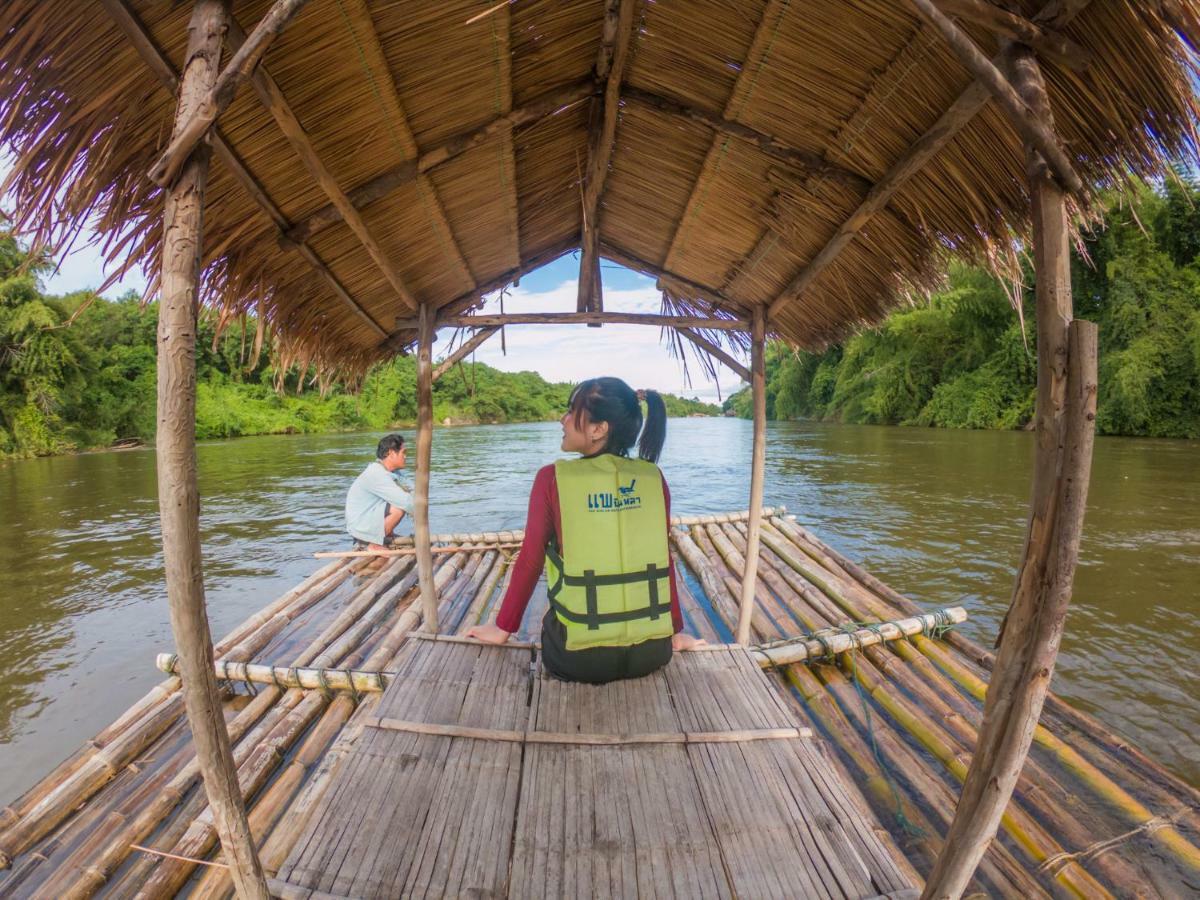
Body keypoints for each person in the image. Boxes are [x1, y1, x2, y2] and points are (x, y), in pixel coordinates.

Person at [467, 377, 704, 683]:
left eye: (570, 411)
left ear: (598, 429)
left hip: (576, 659)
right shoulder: (653, 478)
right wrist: (675, 632)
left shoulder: (551, 479)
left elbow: (530, 559)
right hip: (652, 653)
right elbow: (663, 560)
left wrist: (502, 628)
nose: (562, 420)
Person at [344, 434, 412, 551]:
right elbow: (406, 502)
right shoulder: (376, 473)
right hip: (360, 526)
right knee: (398, 508)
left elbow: (412, 490)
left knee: (401, 503)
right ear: (390, 453)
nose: (405, 456)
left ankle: (385, 536)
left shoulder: (394, 472)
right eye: (403, 452)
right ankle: (372, 543)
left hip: (368, 518)